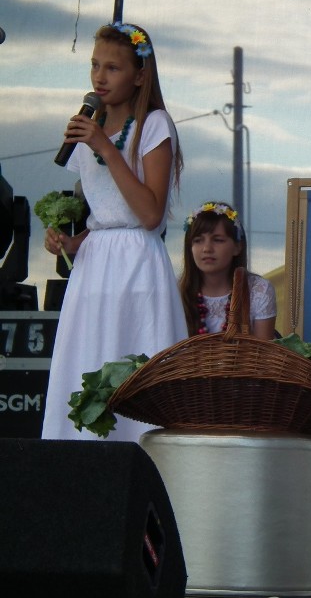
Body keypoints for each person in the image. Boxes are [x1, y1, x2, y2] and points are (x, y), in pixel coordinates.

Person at [41, 23, 187, 442]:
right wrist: (71, 243)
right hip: (93, 266)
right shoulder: (91, 125)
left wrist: (106, 147)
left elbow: (148, 215)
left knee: (133, 365)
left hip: (136, 264)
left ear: (140, 75)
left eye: (112, 67)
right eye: (94, 66)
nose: (99, 77)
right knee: (87, 360)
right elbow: (104, 215)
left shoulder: (154, 124)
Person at [178, 202, 276, 339]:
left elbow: (263, 354)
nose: (207, 248)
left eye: (218, 240)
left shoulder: (258, 290)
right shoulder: (176, 292)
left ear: (237, 247)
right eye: (198, 240)